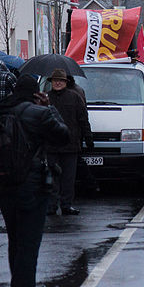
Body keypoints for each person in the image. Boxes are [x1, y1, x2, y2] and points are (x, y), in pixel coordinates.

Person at [0, 74, 69, 287]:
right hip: (32, 186)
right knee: (29, 247)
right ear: (35, 93)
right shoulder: (39, 113)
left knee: (15, 241)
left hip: (3, 184)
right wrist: (49, 108)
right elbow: (63, 135)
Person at [46, 69, 93, 216]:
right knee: (52, 177)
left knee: (68, 178)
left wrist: (88, 138)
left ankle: (66, 205)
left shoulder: (75, 97)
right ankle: (51, 205)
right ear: (51, 82)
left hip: (70, 144)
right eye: (55, 80)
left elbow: (83, 119)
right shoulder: (45, 98)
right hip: (51, 145)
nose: (58, 83)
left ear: (66, 82)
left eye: (61, 80)